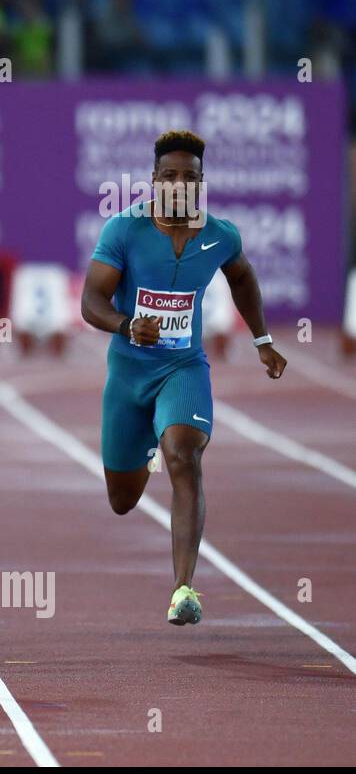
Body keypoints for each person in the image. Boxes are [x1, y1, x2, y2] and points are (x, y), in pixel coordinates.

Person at [81, 129, 287, 625]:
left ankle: (183, 589)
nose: (179, 184)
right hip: (129, 374)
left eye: (189, 177)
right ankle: (150, 439)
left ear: (201, 183)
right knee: (122, 499)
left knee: (183, 451)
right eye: (169, 175)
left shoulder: (220, 234)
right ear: (153, 181)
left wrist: (262, 340)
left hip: (183, 367)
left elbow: (242, 278)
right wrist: (129, 324)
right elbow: (90, 303)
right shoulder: (123, 230)